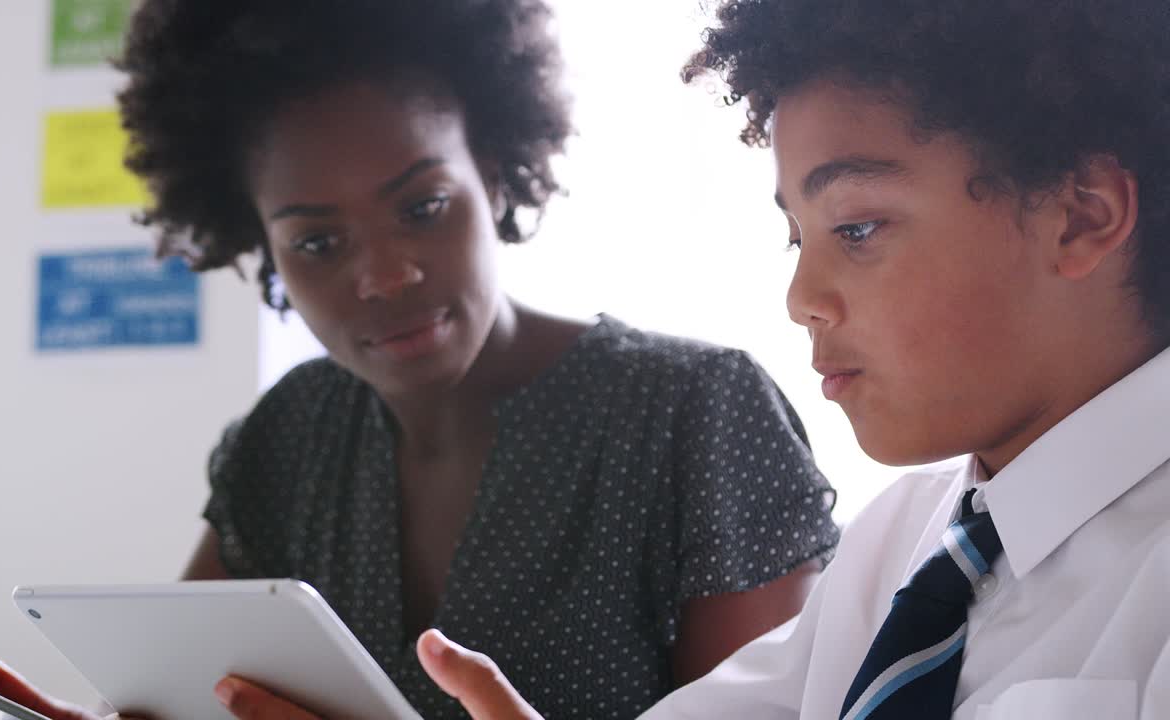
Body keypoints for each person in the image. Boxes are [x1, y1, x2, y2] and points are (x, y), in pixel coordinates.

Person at [0, 1, 840, 719]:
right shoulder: (288, 438)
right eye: (316, 240)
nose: (385, 275)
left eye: (424, 206)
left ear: (494, 177)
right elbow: (188, 694)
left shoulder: (695, 415)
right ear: (261, 246)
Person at [357, 0, 1170, 718]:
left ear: (1077, 216)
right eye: (797, 235)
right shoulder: (895, 548)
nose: (802, 296)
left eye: (856, 228)